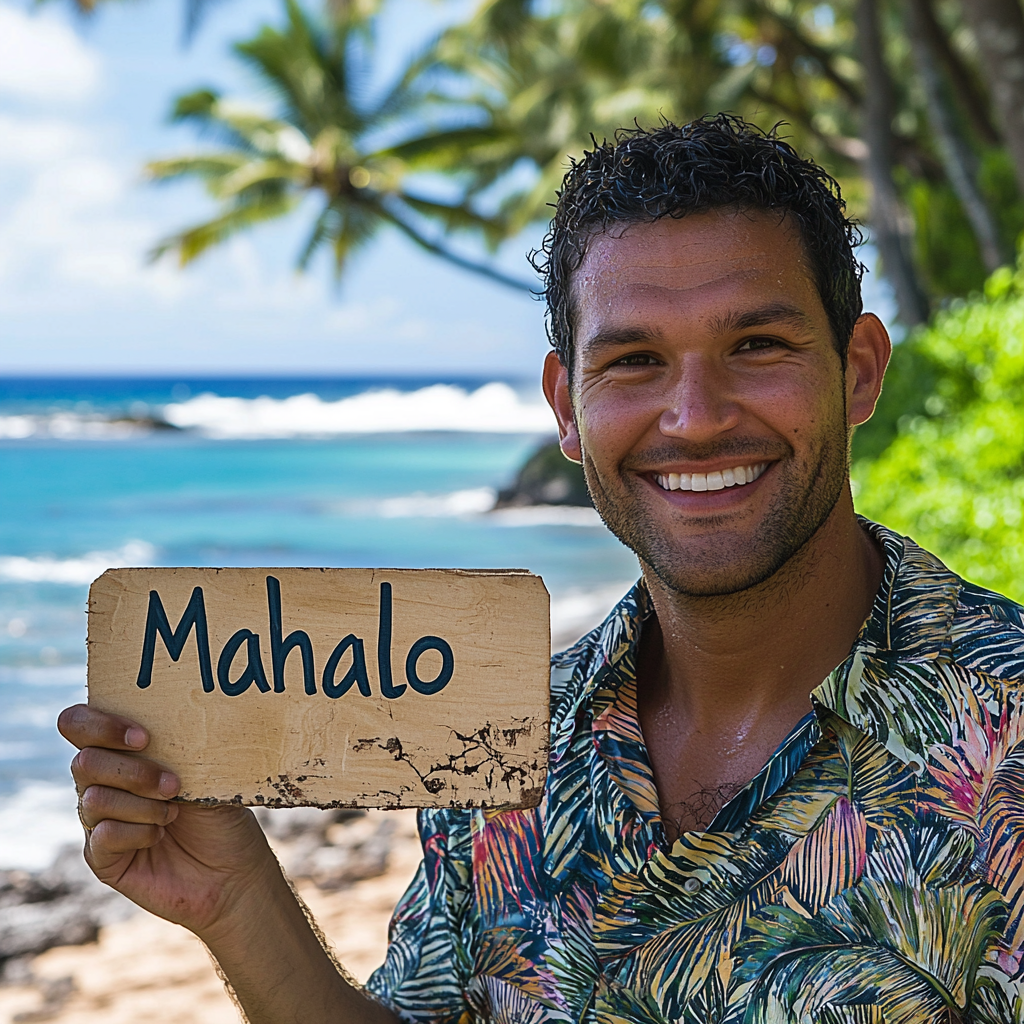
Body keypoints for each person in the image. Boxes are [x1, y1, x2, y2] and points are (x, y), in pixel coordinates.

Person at [58, 115, 1024, 1023]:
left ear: (858, 369)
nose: (694, 416)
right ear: (566, 404)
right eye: (635, 360)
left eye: (757, 345)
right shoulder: (503, 737)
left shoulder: (1004, 742)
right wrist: (239, 903)